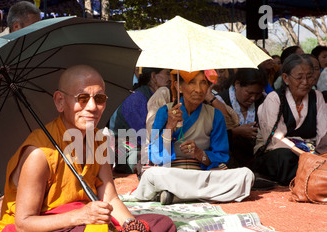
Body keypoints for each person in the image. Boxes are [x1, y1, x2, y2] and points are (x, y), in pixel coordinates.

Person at [0, 65, 198, 232]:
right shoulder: (38, 154)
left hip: (80, 219)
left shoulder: (97, 140)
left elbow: (110, 198)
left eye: (100, 98)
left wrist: (133, 227)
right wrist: (79, 216)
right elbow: (25, 226)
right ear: (60, 102)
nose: (92, 107)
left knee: (159, 223)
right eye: (82, 99)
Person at [131, 69, 254, 205]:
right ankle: (200, 195)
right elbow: (157, 157)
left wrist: (199, 153)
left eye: (203, 83)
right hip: (172, 174)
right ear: (179, 86)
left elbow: (221, 156)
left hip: (201, 175)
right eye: (192, 83)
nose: (198, 89)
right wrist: (170, 126)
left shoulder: (215, 115)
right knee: (152, 175)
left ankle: (177, 196)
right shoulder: (164, 112)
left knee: (246, 175)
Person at [253, 54, 327, 186]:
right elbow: (275, 140)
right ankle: (308, 181)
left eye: (309, 76)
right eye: (299, 78)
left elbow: (323, 134)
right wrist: (304, 155)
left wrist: (317, 156)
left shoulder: (317, 97)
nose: (305, 82)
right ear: (286, 78)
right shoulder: (274, 98)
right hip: (280, 153)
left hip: (312, 152)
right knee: (284, 158)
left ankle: (312, 177)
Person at [109, 68, 171, 174]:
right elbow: (143, 135)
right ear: (153, 76)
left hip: (146, 147)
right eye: (167, 74)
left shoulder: (157, 97)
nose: (170, 78)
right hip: (126, 150)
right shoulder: (136, 98)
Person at [215, 68, 267, 168]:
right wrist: (235, 132)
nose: (253, 98)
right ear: (237, 84)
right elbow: (213, 136)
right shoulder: (220, 101)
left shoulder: (263, 101)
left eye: (257, 94)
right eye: (249, 93)